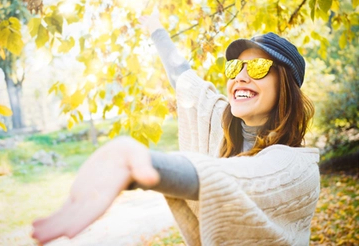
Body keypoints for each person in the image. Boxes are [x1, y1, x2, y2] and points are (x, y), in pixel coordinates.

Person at [32, 12, 320, 246]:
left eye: (257, 68)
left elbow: (238, 180)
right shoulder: (217, 119)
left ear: (285, 86)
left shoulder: (299, 168)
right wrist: (155, 27)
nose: (240, 77)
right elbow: (182, 76)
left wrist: (141, 163)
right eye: (234, 68)